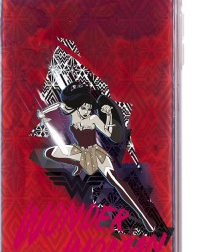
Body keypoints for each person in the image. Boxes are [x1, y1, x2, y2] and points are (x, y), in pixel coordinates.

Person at [37, 83, 156, 233]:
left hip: (96, 153)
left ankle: (145, 218)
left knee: (117, 182)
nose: (87, 111)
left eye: (89, 108)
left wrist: (109, 115)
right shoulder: (72, 111)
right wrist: (42, 113)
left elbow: (109, 133)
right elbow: (58, 105)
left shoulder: (93, 118)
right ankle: (78, 164)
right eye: (84, 108)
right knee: (50, 153)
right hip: (80, 152)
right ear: (77, 106)